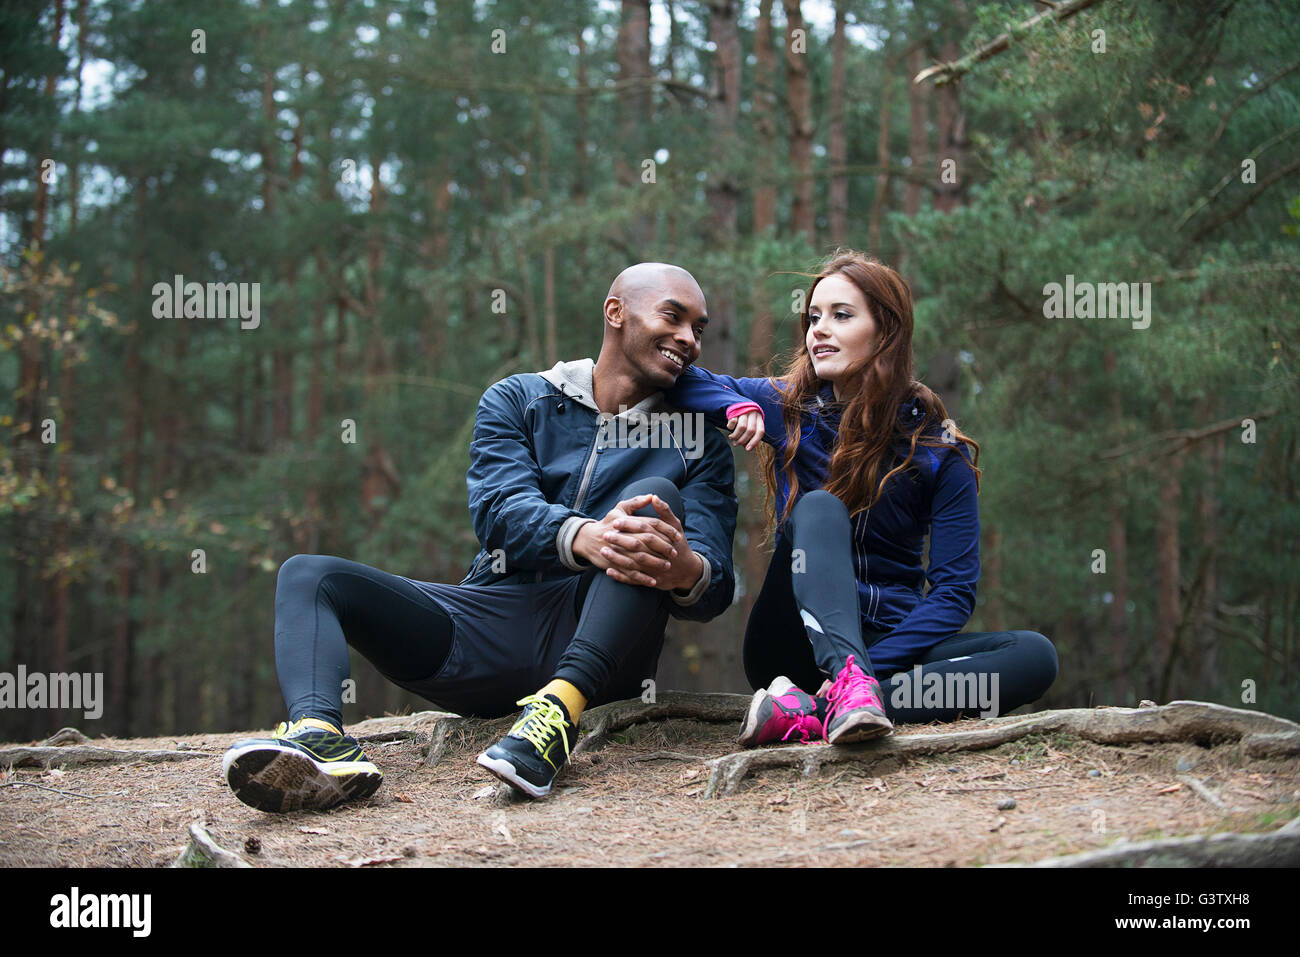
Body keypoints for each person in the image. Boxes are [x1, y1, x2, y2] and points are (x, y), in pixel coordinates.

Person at [222, 263, 737, 810]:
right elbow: (499, 511)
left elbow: (716, 583)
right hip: (489, 623)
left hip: (606, 647)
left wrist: (685, 569)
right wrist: (584, 534)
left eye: (699, 329)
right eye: (673, 317)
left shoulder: (698, 441)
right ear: (616, 313)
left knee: (655, 497)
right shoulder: (519, 399)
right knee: (309, 574)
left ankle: (555, 718)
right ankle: (319, 740)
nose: (689, 340)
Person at [664, 250, 1057, 747]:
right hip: (792, 647)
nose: (818, 331)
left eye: (841, 316)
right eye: (813, 317)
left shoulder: (939, 452)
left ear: (885, 331)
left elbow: (954, 594)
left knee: (1034, 655)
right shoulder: (789, 408)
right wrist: (736, 403)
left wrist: (872, 668)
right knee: (820, 507)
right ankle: (844, 688)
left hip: (890, 647)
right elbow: (682, 381)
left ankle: (819, 710)